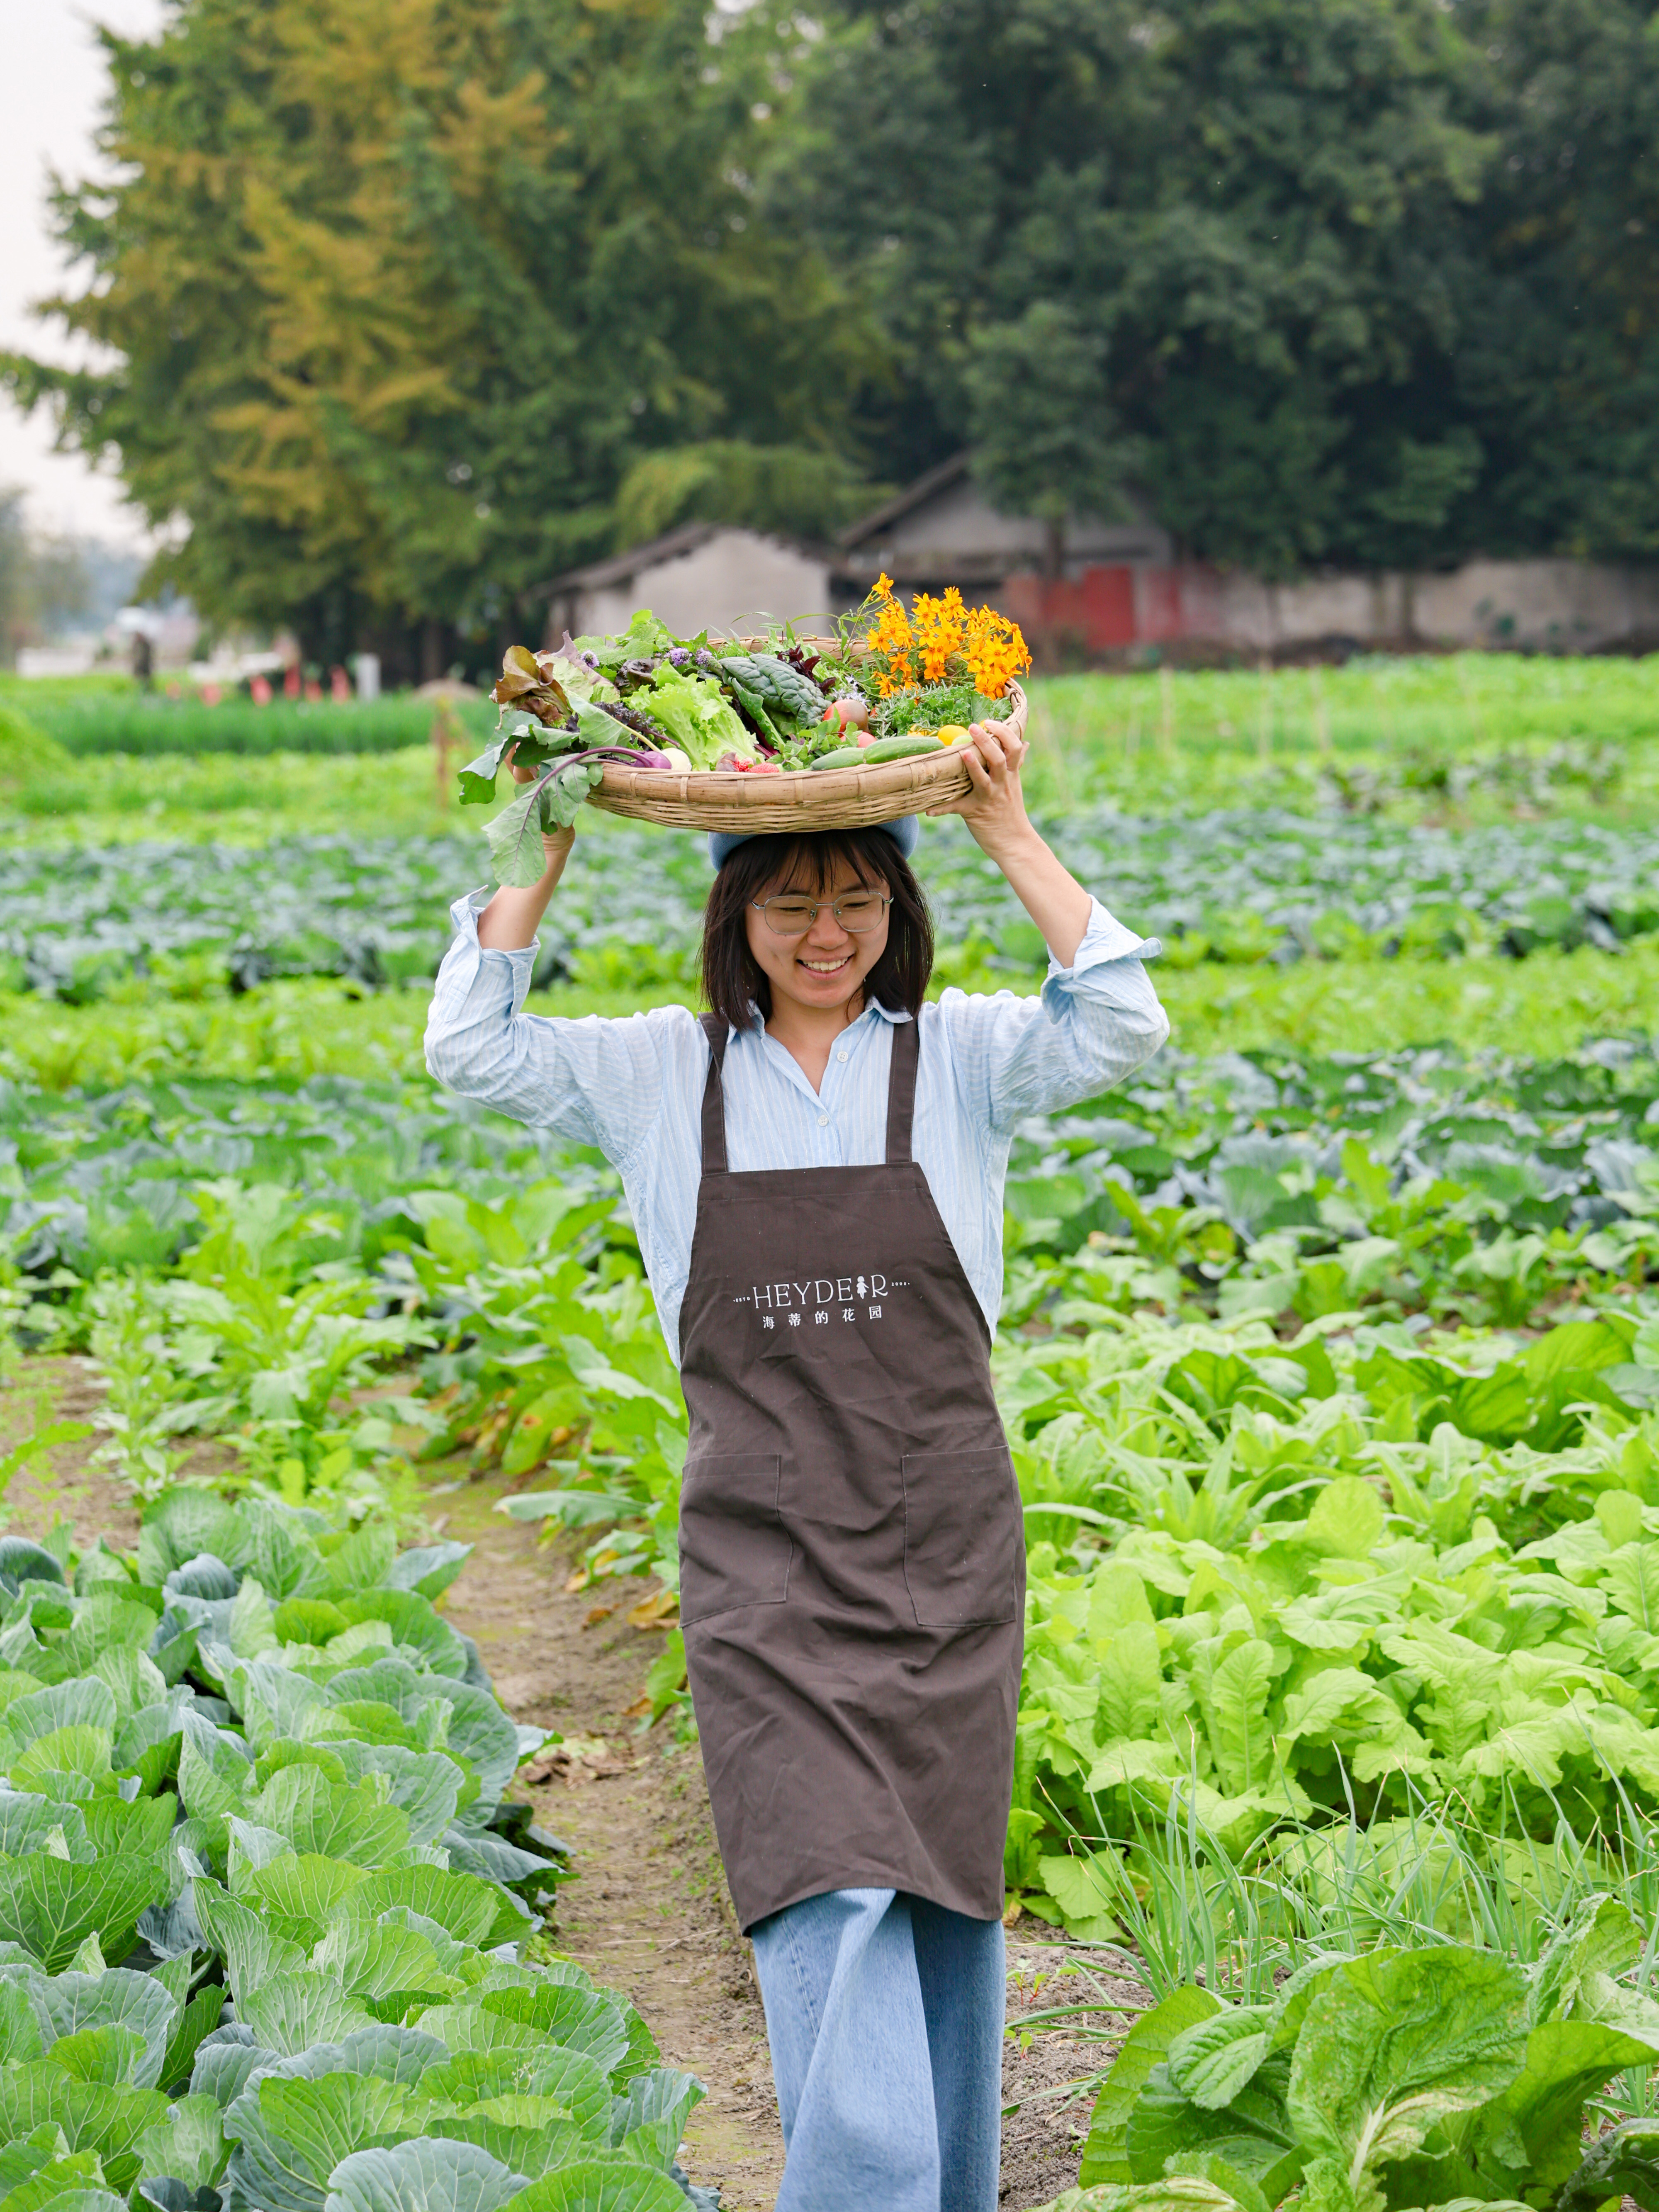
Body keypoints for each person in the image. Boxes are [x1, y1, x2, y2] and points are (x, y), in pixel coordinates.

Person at [424, 721, 1169, 2211]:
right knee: (821, 1891)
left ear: (899, 912)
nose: (826, 934)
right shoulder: (661, 1075)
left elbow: (1124, 1027)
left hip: (944, 1559)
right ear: (734, 919)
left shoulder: (958, 1057)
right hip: (764, 1569)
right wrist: (542, 845)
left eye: (857, 900)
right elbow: (471, 1052)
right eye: (789, 903)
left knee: (947, 1909)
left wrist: (1006, 828)